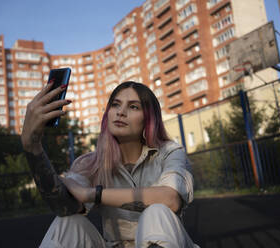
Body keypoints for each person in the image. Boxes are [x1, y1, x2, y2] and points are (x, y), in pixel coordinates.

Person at [21, 81, 198, 248]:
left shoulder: (169, 152)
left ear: (149, 119)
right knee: (67, 221)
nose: (120, 112)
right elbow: (63, 206)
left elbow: (171, 199)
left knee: (156, 212)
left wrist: (92, 194)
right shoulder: (90, 163)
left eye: (133, 106)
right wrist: (32, 146)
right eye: (115, 104)